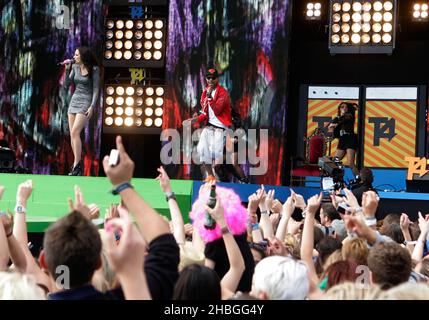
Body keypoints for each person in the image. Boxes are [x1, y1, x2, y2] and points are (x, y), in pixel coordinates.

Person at [184, 68, 232, 182]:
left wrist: (210, 97)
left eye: (213, 78)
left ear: (217, 78)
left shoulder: (223, 93)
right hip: (209, 127)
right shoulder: (205, 93)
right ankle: (210, 175)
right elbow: (205, 113)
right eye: (208, 78)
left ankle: (227, 156)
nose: (210, 80)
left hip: (221, 128)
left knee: (215, 152)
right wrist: (193, 120)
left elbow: (217, 110)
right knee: (201, 150)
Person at [63, 47, 100, 176]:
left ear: (83, 56)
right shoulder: (74, 68)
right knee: (73, 135)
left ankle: (77, 165)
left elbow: (96, 89)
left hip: (86, 101)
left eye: (77, 55)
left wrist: (92, 106)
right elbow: (66, 84)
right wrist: (67, 70)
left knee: (75, 132)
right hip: (74, 100)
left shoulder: (94, 69)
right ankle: (77, 165)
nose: (74, 57)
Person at [328, 102, 359, 176]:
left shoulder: (349, 115)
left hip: (350, 138)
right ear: (339, 109)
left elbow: (341, 120)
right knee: (335, 161)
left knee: (350, 163)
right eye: (342, 107)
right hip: (342, 139)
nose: (344, 108)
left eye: (346, 107)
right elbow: (330, 129)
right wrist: (333, 125)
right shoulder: (337, 118)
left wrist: (335, 124)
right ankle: (337, 179)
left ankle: (360, 180)